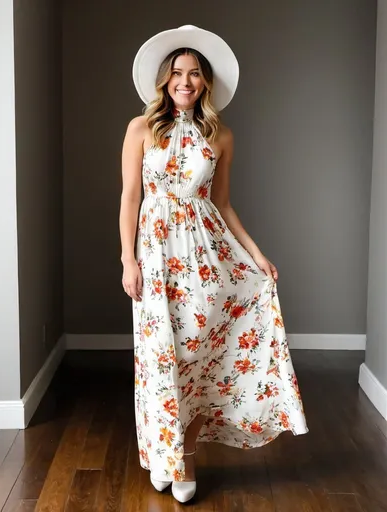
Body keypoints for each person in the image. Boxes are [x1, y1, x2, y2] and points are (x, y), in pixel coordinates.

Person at [119, 25, 308, 504]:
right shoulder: (140, 129)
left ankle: (184, 453)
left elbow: (222, 203)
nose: (185, 81)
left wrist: (258, 256)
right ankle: (164, 454)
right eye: (177, 73)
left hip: (207, 258)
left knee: (202, 358)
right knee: (163, 358)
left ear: (206, 83)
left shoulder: (219, 134)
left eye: (195, 74)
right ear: (164, 80)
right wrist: (128, 259)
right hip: (157, 259)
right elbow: (130, 197)